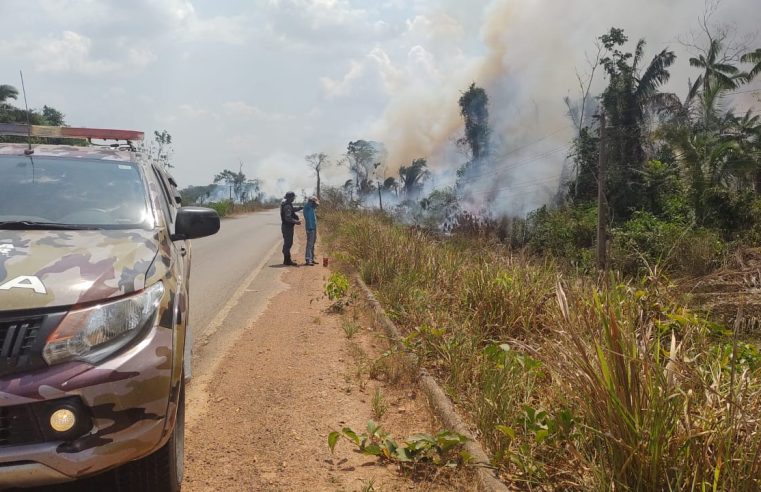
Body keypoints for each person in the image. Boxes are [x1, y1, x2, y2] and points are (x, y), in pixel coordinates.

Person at [280, 191, 302, 266]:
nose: (293, 199)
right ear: (290, 198)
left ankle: (287, 259)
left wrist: (300, 208)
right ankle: (287, 260)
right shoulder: (287, 206)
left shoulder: (287, 204)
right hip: (287, 227)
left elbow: (292, 209)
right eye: (293, 197)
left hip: (287, 227)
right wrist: (296, 221)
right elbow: (288, 218)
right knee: (288, 243)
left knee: (288, 243)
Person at [303, 195, 319, 265]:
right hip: (310, 228)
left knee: (312, 244)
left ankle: (311, 258)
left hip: (313, 228)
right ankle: (308, 259)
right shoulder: (308, 207)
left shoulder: (311, 208)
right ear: (312, 202)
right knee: (310, 244)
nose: (316, 205)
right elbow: (308, 219)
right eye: (315, 203)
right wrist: (310, 229)